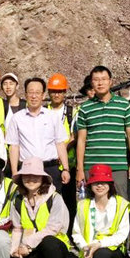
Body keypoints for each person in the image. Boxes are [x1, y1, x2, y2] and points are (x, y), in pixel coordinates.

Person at [9, 158, 71, 258]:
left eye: (35, 176)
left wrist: (28, 245)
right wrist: (15, 249)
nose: (31, 179)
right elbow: (17, 228)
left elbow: (53, 228)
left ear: (43, 178)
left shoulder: (55, 198)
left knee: (49, 242)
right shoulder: (17, 200)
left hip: (55, 245)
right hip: (31, 246)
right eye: (26, 175)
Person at [75, 66, 130, 198]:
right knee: (93, 203)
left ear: (110, 82)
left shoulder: (124, 105)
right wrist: (80, 169)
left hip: (117, 165)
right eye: (96, 80)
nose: (100, 83)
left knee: (120, 203)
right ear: (91, 83)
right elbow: (81, 140)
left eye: (104, 79)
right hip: (92, 166)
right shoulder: (85, 108)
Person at [72, 164, 130, 258]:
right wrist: (85, 247)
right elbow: (76, 232)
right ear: (90, 185)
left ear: (110, 184)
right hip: (89, 252)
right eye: (96, 182)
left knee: (101, 254)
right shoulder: (83, 205)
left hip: (112, 251)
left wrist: (98, 244)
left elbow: (122, 234)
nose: (99, 186)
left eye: (103, 182)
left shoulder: (121, 204)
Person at [6, 77, 70, 193]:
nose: (34, 96)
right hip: (27, 170)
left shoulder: (52, 117)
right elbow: (14, 146)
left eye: (37, 93)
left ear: (43, 95)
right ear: (25, 95)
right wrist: (15, 172)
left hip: (50, 168)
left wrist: (66, 169)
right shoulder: (17, 118)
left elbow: (60, 144)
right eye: (31, 92)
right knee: (28, 202)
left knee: (53, 201)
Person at [46, 73, 78, 224]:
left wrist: (63, 148)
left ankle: (69, 230)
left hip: (68, 165)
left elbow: (75, 135)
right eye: (53, 91)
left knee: (68, 200)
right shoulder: (43, 111)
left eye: (59, 91)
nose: (56, 94)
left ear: (65, 93)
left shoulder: (72, 112)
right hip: (49, 164)